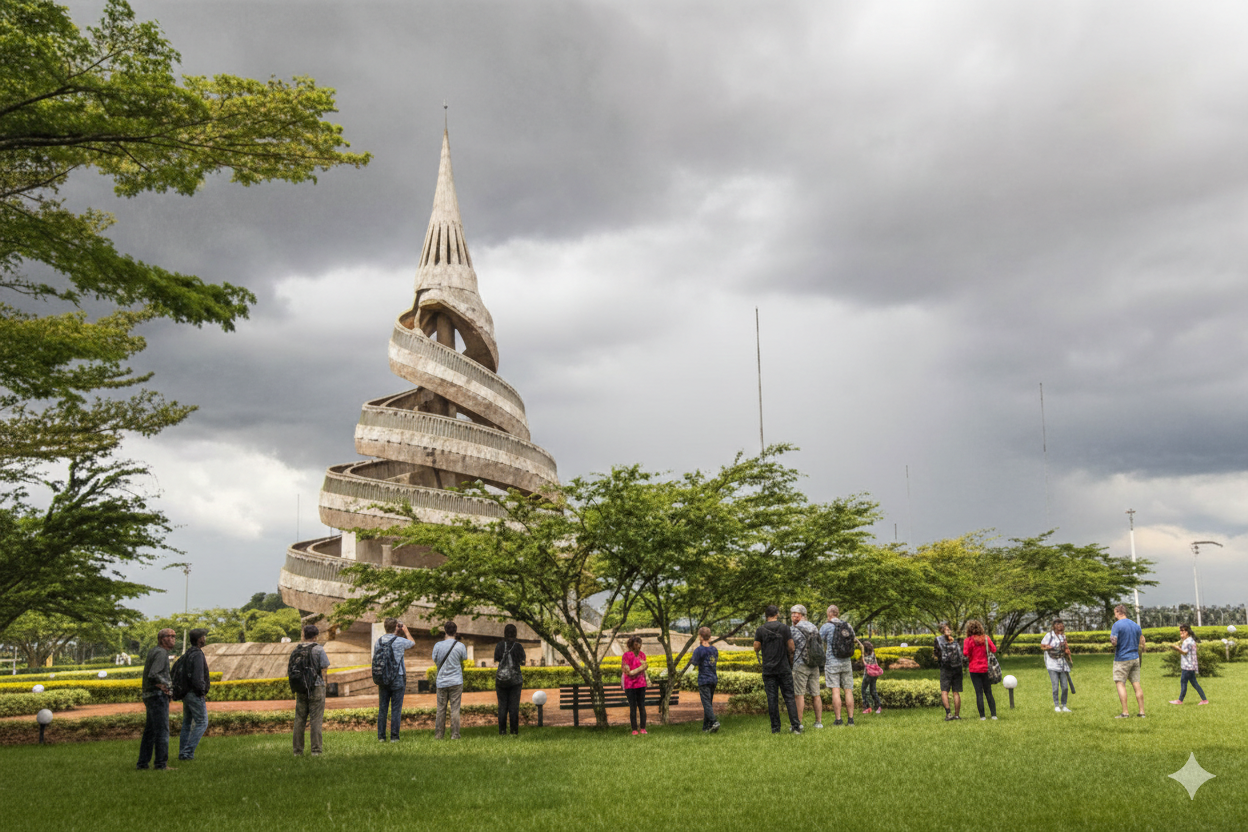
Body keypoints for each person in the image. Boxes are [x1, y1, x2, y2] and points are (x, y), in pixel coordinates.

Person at [754, 604, 801, 734]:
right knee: (789, 697)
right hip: (784, 668)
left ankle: (775, 729)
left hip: (768, 670)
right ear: (777, 614)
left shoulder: (761, 629)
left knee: (772, 699)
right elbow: (791, 647)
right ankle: (796, 727)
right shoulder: (784, 628)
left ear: (766, 615)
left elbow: (756, 647)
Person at [137, 628, 176, 770]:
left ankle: (142, 763)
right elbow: (154, 674)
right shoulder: (161, 653)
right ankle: (161, 764)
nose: (173, 639)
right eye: (169, 636)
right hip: (157, 696)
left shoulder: (155, 651)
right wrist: (165, 687)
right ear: (162, 639)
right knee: (162, 731)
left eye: (174, 636)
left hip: (150, 696)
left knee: (150, 731)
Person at [292, 624, 330, 756]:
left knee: (299, 719)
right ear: (316, 636)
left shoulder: (296, 650)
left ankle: (297, 751)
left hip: (301, 688)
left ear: (304, 635)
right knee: (316, 720)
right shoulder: (319, 649)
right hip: (316, 687)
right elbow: (324, 667)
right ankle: (316, 751)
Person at [375, 618, 415, 742]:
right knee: (396, 709)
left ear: (385, 627)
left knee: (383, 708)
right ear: (396, 626)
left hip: (382, 677)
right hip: (397, 676)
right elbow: (412, 643)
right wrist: (406, 631)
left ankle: (381, 737)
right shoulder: (399, 641)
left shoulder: (379, 641)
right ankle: (394, 737)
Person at [818, 605, 857, 727]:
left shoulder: (826, 626)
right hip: (846, 662)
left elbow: (819, 640)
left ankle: (838, 720)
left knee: (835, 690)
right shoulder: (847, 625)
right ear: (838, 613)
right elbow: (853, 639)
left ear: (829, 613)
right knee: (848, 690)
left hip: (832, 662)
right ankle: (850, 720)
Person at [177, 628, 211, 761]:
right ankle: (187, 753)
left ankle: (183, 752)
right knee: (202, 722)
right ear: (200, 639)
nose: (205, 638)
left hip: (186, 692)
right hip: (194, 693)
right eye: (204, 636)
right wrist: (201, 691)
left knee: (187, 723)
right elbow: (198, 677)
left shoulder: (188, 653)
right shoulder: (197, 654)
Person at [789, 605, 823, 729]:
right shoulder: (813, 627)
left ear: (802, 615)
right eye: (792, 613)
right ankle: (818, 722)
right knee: (816, 694)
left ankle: (798, 724)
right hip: (814, 664)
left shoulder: (793, 629)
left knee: (799, 694)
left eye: (795, 614)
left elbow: (791, 648)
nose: (793, 616)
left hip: (800, 664)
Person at [432, 621, 468, 740]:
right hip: (456, 681)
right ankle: (455, 735)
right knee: (455, 709)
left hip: (441, 681)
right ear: (455, 631)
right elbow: (464, 658)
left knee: (441, 709)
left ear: (445, 630)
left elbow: (435, 659)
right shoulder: (460, 646)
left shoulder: (438, 645)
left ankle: (439, 735)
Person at [1110, 604, 1146, 718]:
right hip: (1135, 658)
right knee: (1136, 684)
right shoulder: (1136, 625)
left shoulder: (1116, 625)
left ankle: (1125, 712)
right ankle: (1142, 712)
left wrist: (1113, 640)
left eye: (1114, 612)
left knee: (1120, 683)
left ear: (1117, 612)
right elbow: (1142, 641)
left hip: (1122, 658)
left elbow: (1114, 642)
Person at [494, 623, 527, 735]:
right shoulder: (518, 646)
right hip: (515, 680)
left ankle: (502, 731)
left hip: (501, 680)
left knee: (502, 706)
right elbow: (522, 661)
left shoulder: (499, 645)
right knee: (514, 706)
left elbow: (497, 659)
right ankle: (514, 731)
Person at [686, 626, 720, 733]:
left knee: (706, 703)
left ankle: (714, 722)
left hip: (704, 680)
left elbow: (693, 665)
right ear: (710, 637)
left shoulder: (699, 650)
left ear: (700, 637)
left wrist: (684, 674)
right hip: (713, 679)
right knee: (708, 703)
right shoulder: (714, 650)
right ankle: (707, 727)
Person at [963, 619, 998, 720]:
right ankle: (993, 715)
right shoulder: (986, 638)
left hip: (974, 669)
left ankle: (982, 716)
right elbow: (994, 649)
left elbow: (965, 653)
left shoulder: (968, 640)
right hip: (986, 668)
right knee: (988, 692)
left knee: (979, 692)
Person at [1169, 624, 1208, 706]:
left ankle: (1180, 700)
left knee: (1183, 682)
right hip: (1190, 665)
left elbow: (1184, 652)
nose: (1181, 632)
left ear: (1187, 632)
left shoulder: (1187, 641)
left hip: (1188, 666)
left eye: (1183, 631)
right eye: (1180, 630)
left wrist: (1176, 648)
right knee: (1194, 683)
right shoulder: (1189, 640)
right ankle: (1204, 699)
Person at [1041, 618, 1073, 713]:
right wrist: (1048, 647)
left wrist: (1069, 658)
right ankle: (1056, 706)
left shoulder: (1063, 636)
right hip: (1052, 664)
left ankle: (1064, 705)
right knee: (1055, 686)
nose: (1060, 627)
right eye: (1058, 625)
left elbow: (1066, 648)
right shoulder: (1049, 635)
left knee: (1065, 686)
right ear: (1054, 626)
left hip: (1062, 664)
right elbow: (1042, 646)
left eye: (1061, 625)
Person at [935, 622, 964, 721]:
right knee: (956, 692)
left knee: (944, 691)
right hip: (957, 668)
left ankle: (948, 714)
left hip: (945, 668)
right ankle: (957, 715)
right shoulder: (956, 641)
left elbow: (937, 654)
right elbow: (961, 655)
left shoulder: (938, 640)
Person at [622, 635, 650, 735]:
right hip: (630, 685)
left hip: (641, 684)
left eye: (640, 643)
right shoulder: (626, 655)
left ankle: (643, 728)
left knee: (641, 705)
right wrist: (637, 669)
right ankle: (634, 729)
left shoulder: (642, 655)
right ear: (632, 645)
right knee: (632, 707)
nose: (639, 646)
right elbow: (626, 670)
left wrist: (638, 669)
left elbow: (644, 666)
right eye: (637, 644)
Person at [859, 640, 882, 715]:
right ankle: (878, 705)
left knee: (863, 690)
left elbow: (864, 662)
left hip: (868, 675)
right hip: (875, 674)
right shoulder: (873, 653)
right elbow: (876, 663)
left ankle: (867, 707)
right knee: (873, 690)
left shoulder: (864, 656)